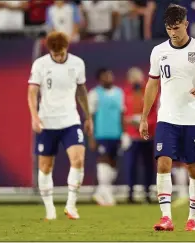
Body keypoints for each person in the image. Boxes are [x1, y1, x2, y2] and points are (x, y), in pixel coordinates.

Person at [139, 4, 195, 231]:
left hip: (193, 119)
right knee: (163, 162)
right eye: (170, 28)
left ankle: (193, 219)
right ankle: (166, 217)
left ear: (186, 24)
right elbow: (152, 84)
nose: (174, 32)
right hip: (167, 118)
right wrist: (144, 117)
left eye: (177, 27)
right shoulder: (158, 52)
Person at [27, 31, 93, 220]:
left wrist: (88, 116)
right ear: (49, 51)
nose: (58, 57)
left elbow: (81, 90)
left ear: (66, 48)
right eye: (54, 54)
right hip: (47, 122)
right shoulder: (40, 64)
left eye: (61, 53)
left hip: (70, 120)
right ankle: (50, 209)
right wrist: (34, 116)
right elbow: (32, 92)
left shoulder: (77, 63)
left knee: (78, 159)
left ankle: (71, 205)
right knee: (46, 167)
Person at [88, 68, 124, 206]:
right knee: (104, 160)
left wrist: (124, 133)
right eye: (105, 76)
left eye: (110, 75)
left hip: (116, 134)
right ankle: (106, 192)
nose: (108, 78)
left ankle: (101, 192)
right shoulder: (94, 94)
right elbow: (91, 116)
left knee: (114, 163)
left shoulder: (119, 93)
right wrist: (91, 137)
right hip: (101, 134)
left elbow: (121, 113)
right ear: (99, 79)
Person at [123, 67, 157, 204]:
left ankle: (148, 193)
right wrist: (129, 122)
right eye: (133, 78)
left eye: (138, 77)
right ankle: (130, 194)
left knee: (149, 165)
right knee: (131, 166)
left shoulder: (149, 91)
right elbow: (123, 113)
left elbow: (155, 112)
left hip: (148, 134)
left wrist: (146, 122)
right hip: (132, 136)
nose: (136, 80)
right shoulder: (126, 93)